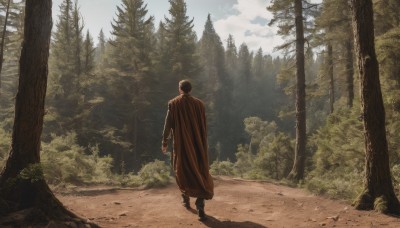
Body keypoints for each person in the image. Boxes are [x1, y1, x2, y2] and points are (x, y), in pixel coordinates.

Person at [162, 79, 214, 221]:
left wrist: (164, 141)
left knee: (181, 169)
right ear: (190, 90)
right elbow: (203, 125)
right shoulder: (200, 104)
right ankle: (200, 206)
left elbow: (168, 124)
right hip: (198, 145)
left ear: (180, 89)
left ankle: (185, 198)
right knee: (199, 171)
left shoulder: (174, 104)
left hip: (182, 145)